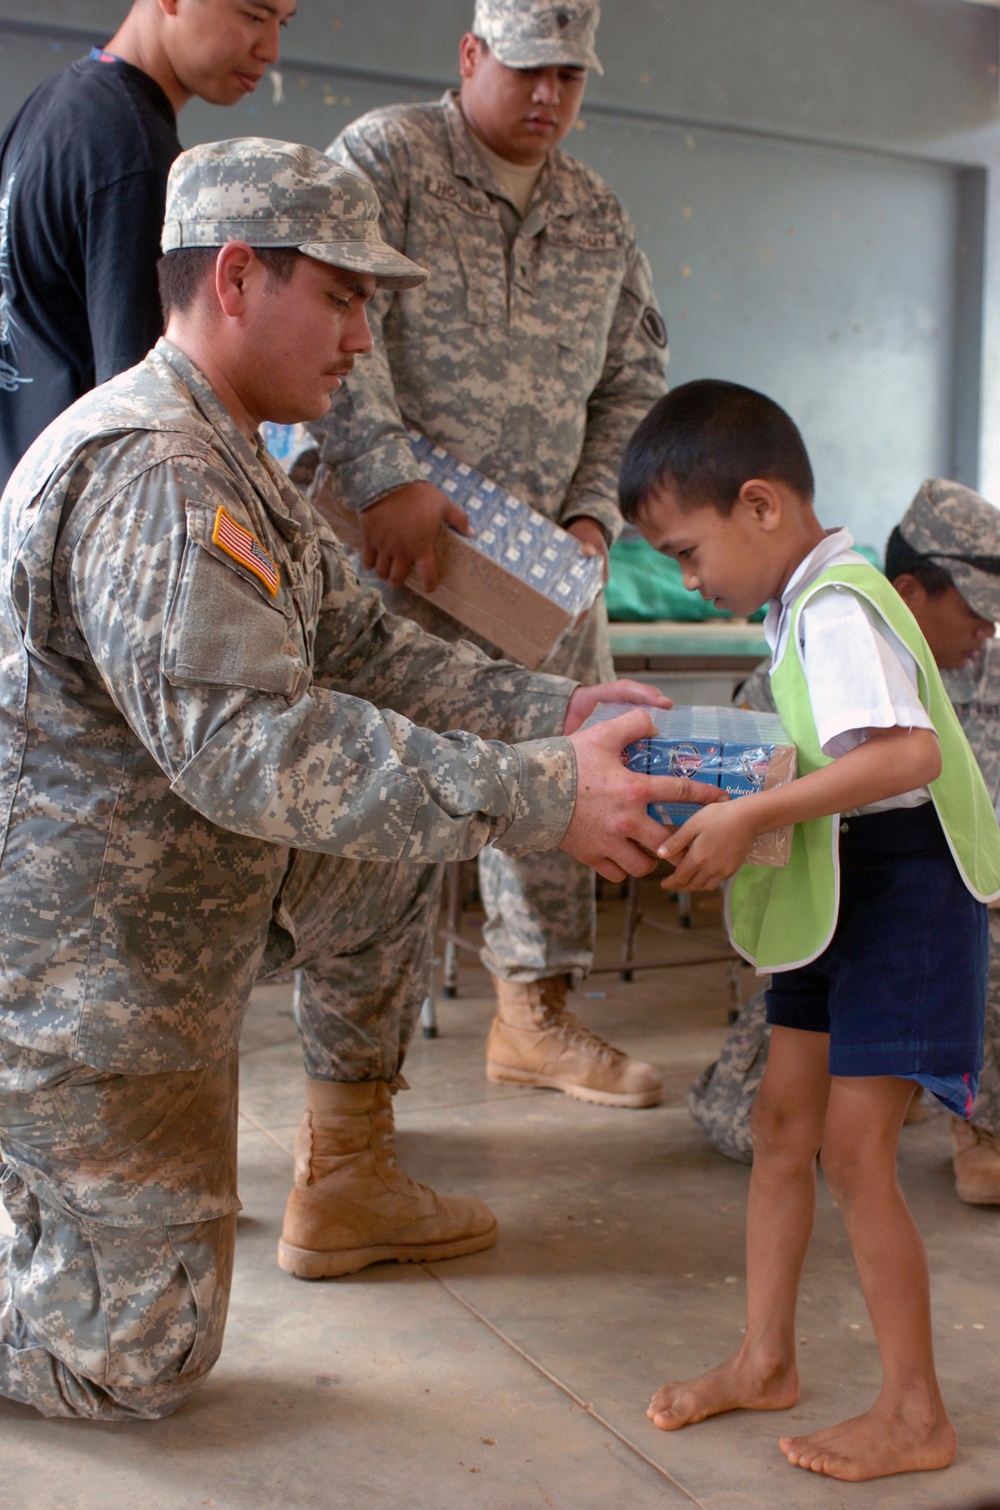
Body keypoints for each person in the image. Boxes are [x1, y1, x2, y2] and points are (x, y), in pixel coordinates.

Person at [0, 136, 722, 1421]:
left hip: (190, 894)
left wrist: (565, 708)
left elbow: (377, 656)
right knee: (133, 1366)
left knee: (397, 846)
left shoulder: (243, 464)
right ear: (234, 279)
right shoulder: (158, 474)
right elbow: (257, 752)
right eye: (339, 299)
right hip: (92, 966)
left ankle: (349, 1174)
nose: (359, 340)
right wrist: (548, 791)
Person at [617, 380, 1000, 1482]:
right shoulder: (799, 604)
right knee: (781, 1128)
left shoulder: (836, 605)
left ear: (761, 506)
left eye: (688, 552)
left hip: (905, 892)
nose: (689, 581)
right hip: (838, 885)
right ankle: (764, 1357)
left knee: (853, 1154)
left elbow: (905, 758)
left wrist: (745, 812)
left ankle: (916, 1413)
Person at [311, 0, 670, 1117]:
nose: (549, 97)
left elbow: (632, 380)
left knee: (572, 766)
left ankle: (533, 1013)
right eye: (527, 70)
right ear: (470, 57)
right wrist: (383, 476)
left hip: (545, 565)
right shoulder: (386, 158)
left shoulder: (596, 209)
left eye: (570, 76)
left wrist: (592, 516)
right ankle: (348, 1093)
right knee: (378, 796)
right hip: (399, 552)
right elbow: (325, 314)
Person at [688, 479, 1000, 1207]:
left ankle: (973, 1121)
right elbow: (754, 808)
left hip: (946, 911)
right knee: (759, 1125)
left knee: (857, 1153)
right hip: (838, 913)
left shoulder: (985, 664)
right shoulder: (814, 635)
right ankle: (908, 1081)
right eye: (976, 610)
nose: (986, 630)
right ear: (911, 592)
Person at [0, 0, 297, 491]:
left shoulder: (55, 105)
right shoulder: (134, 155)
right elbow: (144, 421)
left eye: (282, 24)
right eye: (253, 15)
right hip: (81, 525)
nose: (269, 49)